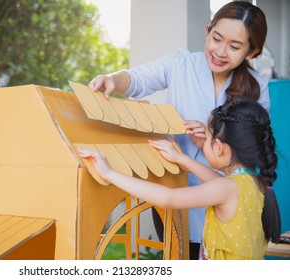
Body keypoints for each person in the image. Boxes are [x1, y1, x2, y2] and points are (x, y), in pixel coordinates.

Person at [89, 1, 270, 259]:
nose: (220, 51)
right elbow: (138, 78)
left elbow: (253, 145)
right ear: (208, 31)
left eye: (234, 46)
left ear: (251, 52)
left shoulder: (257, 86)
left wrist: (211, 135)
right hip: (175, 183)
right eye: (216, 38)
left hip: (225, 198)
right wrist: (112, 80)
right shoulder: (182, 64)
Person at [78, 99, 281, 260]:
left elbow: (169, 198)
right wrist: (181, 158)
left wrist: (110, 173)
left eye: (208, 139)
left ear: (219, 148)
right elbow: (216, 180)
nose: (204, 143)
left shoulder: (227, 187)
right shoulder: (256, 182)